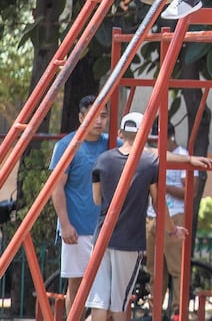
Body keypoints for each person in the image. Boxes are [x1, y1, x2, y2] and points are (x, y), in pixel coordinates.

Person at [86, 112, 189, 321]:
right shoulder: (149, 164)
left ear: (120, 133)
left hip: (102, 237)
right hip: (129, 240)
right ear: (144, 134)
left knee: (99, 301)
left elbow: (96, 199)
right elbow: (159, 204)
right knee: (120, 302)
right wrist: (172, 230)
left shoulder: (103, 160)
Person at [49, 95, 110, 316]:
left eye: (103, 116)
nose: (99, 121)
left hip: (105, 228)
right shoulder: (67, 146)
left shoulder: (111, 143)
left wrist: (187, 160)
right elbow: (56, 187)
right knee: (76, 285)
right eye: (93, 116)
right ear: (81, 117)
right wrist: (65, 225)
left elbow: (143, 151)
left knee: (105, 286)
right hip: (77, 229)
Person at [145, 119, 192, 315]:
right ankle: (154, 310)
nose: (156, 143)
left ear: (170, 136)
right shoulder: (152, 155)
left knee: (176, 268)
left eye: (159, 138)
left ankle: (178, 311)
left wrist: (164, 187)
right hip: (152, 216)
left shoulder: (182, 155)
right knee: (154, 269)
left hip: (174, 214)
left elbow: (189, 191)